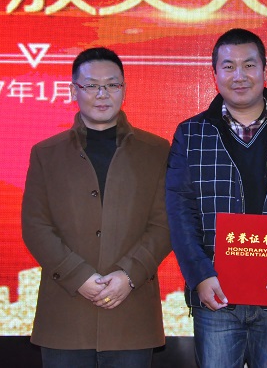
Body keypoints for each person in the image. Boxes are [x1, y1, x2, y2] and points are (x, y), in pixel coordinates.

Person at [165, 28, 267, 368]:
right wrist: (200, 275)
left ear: (265, 70)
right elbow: (180, 213)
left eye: (249, 65)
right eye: (228, 66)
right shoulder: (191, 133)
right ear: (214, 74)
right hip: (216, 293)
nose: (239, 75)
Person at [21, 47, 172, 368]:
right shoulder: (47, 153)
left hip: (131, 313)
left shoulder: (156, 151)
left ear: (124, 89)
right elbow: (35, 226)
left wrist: (129, 275)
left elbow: (165, 224)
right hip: (66, 315)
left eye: (112, 85)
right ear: (73, 90)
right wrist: (78, 276)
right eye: (91, 85)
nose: (102, 94)